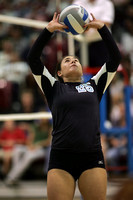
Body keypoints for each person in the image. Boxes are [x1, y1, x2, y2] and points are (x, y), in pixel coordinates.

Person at [27, 12, 121, 200]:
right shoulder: (53, 87)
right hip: (61, 158)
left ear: (81, 68)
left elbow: (114, 59)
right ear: (59, 73)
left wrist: (101, 28)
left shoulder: (95, 85)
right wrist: (48, 30)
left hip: (92, 157)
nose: (73, 60)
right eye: (67, 60)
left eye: (76, 59)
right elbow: (33, 59)